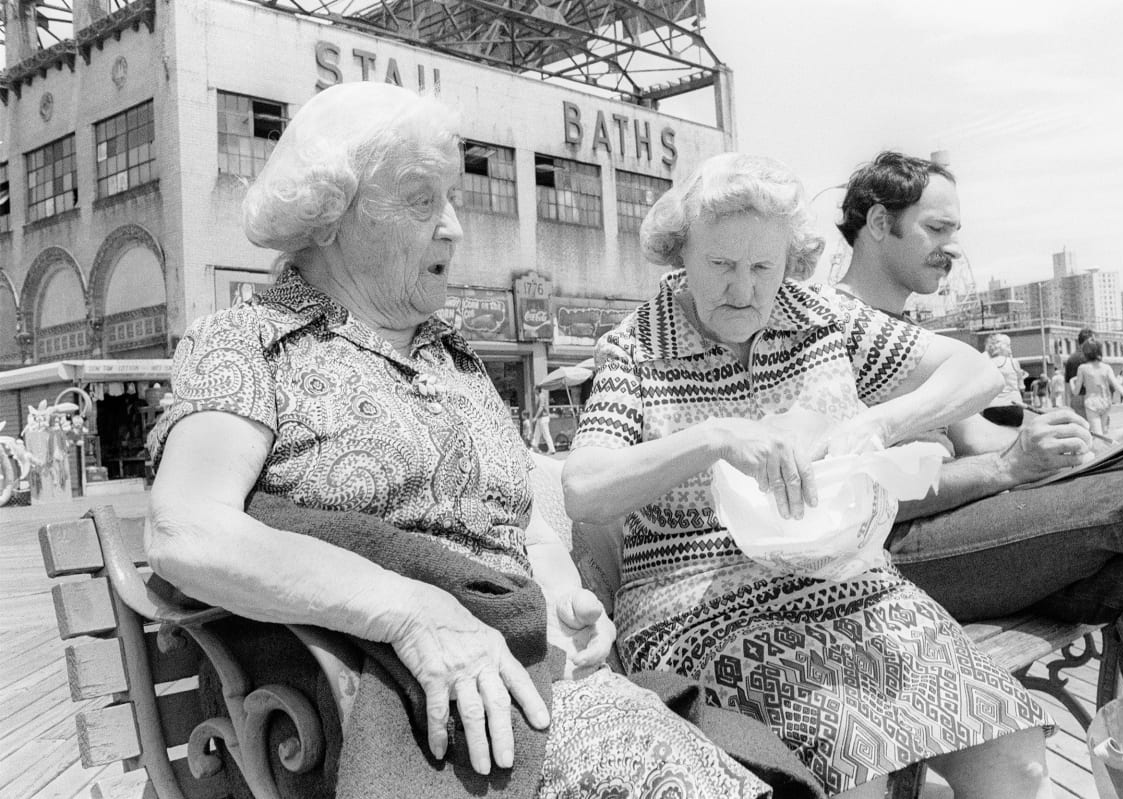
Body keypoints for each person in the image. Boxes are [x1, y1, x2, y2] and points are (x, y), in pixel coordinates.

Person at [146, 83, 776, 799]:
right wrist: (412, 609)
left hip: (525, 687)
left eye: (451, 198)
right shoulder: (250, 340)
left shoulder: (455, 356)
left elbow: (526, 527)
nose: (453, 226)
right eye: (422, 200)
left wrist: (567, 603)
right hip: (380, 708)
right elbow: (186, 530)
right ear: (330, 215)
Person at [564, 152, 1057, 798]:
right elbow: (583, 486)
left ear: (790, 261)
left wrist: (876, 424)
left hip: (853, 587)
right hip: (700, 605)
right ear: (682, 254)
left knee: (1015, 754)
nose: (743, 289)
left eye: (762, 267)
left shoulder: (822, 315)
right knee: (856, 761)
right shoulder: (638, 344)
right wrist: (712, 439)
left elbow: (977, 374)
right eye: (720, 265)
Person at [836, 149, 1123, 796]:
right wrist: (1009, 466)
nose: (951, 249)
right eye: (936, 229)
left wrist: (1047, 441)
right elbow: (862, 494)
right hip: (890, 557)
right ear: (877, 221)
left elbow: (979, 439)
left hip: (959, 541)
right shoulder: (830, 329)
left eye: (955, 233)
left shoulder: (906, 328)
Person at [1074, 339, 1123, 435]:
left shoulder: (1082, 368)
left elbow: (1076, 392)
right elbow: (1116, 384)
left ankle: (1109, 448)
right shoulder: (1106, 367)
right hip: (1106, 401)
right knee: (1104, 431)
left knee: (1098, 434)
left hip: (1091, 402)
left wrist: (1071, 382)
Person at [982, 332, 1026, 425]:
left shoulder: (985, 364)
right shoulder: (1014, 362)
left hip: (991, 407)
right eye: (1009, 346)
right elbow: (1022, 387)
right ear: (1004, 347)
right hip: (1013, 405)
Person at [1063, 328, 1093, 417]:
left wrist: (1067, 405)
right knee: (1095, 428)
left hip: (1076, 399)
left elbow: (1067, 385)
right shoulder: (1091, 357)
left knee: (1080, 427)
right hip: (1091, 397)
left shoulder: (1071, 359)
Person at [529, 388, 556, 453]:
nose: (533, 391)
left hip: (542, 418)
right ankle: (534, 447)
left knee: (546, 434)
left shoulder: (541, 396)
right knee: (537, 433)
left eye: (534, 390)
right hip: (542, 418)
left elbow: (541, 408)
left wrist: (535, 417)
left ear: (537, 390)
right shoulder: (541, 396)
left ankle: (552, 449)